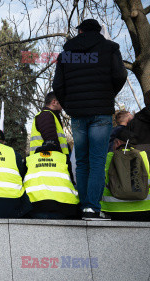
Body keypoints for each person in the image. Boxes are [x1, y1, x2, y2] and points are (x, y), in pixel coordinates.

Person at [52, 18, 128, 220]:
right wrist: (108, 95)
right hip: (101, 112)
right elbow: (120, 76)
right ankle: (92, 208)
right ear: (98, 32)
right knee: (97, 162)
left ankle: (83, 206)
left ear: (80, 32)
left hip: (78, 114)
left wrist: (69, 106)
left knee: (82, 163)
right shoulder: (110, 48)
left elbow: (58, 85)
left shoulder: (66, 54)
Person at [100, 130, 150, 221]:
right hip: (144, 210)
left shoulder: (109, 156)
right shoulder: (143, 155)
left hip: (113, 210)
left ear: (117, 142)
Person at [24, 140, 79, 219]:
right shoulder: (64, 158)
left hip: (34, 208)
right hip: (64, 209)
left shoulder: (29, 159)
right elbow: (72, 181)